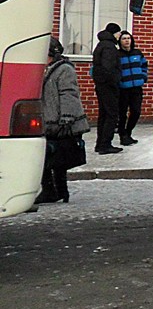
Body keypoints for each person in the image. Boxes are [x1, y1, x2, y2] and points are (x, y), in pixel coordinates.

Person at [37, 37, 90, 204]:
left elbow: (69, 94)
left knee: (52, 157)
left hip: (62, 122)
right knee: (54, 158)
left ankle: (52, 191)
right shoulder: (46, 69)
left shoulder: (64, 69)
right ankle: (58, 191)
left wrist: (67, 117)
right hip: (50, 120)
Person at [90, 22, 124, 154]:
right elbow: (108, 68)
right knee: (111, 114)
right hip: (108, 86)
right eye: (119, 33)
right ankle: (105, 144)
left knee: (103, 114)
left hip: (101, 85)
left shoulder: (102, 44)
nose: (120, 35)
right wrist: (114, 81)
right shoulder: (109, 47)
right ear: (114, 33)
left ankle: (100, 143)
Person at [116, 31, 148, 146]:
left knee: (136, 111)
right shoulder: (117, 54)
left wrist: (143, 77)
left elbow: (144, 66)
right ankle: (122, 135)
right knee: (122, 113)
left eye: (128, 38)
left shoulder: (137, 53)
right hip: (123, 89)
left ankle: (128, 132)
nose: (126, 40)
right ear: (120, 41)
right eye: (124, 38)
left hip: (136, 88)